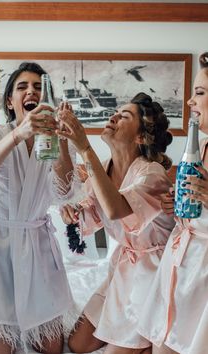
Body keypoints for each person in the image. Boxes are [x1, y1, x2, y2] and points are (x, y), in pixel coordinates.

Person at [58, 92, 175, 354]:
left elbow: (114, 209)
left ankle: (148, 343)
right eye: (116, 112)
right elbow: (94, 213)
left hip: (154, 275)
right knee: (77, 343)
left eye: (125, 116)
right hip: (123, 267)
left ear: (141, 137)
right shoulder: (104, 168)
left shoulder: (152, 174)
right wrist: (74, 214)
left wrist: (84, 147)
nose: (113, 117)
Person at [0, 62, 76, 354]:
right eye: (22, 87)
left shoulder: (51, 142)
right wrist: (19, 133)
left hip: (39, 247)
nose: (31, 91)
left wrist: (63, 140)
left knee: (51, 346)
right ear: (10, 101)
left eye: (38, 87)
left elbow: (65, 191)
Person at [138, 52, 208, 354]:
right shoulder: (202, 146)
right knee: (161, 344)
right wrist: (175, 209)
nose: (191, 102)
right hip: (179, 260)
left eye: (200, 93)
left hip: (203, 277)